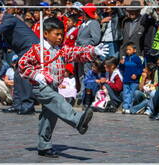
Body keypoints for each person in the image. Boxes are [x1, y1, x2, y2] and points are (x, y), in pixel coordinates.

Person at [18, 18, 109, 157]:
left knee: (49, 117)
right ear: (46, 34)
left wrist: (93, 51)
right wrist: (36, 75)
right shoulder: (37, 49)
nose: (60, 37)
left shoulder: (62, 50)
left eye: (62, 34)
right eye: (57, 34)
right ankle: (77, 120)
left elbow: (77, 52)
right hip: (40, 86)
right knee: (58, 100)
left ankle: (44, 146)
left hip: (53, 86)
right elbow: (22, 64)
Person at [0, 8, 39, 114]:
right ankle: (17, 105)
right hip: (23, 51)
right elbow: (0, 45)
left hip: (30, 48)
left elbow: (3, 26)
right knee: (18, 76)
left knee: (24, 76)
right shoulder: (4, 30)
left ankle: (28, 106)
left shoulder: (9, 18)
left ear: (2, 13)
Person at [119, 42, 143, 114]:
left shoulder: (137, 59)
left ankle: (130, 107)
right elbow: (122, 69)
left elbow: (140, 69)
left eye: (129, 49)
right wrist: (121, 64)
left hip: (134, 81)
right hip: (126, 79)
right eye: (127, 50)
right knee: (126, 94)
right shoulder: (125, 58)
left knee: (132, 94)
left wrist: (136, 74)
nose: (127, 51)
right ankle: (125, 107)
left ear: (134, 50)